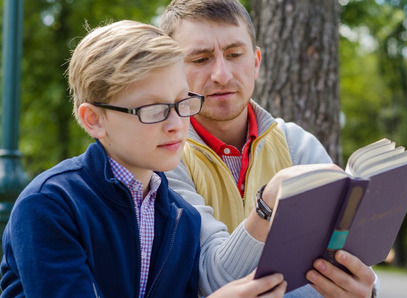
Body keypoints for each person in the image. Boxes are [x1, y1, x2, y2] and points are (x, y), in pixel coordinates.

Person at [0, 20, 287, 298]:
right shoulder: (50, 206)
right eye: (153, 109)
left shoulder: (182, 218)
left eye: (182, 103)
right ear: (94, 119)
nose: (176, 124)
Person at [160, 0, 380, 297]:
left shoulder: (298, 145)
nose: (222, 75)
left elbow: (349, 259)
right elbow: (212, 282)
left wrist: (369, 291)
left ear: (256, 62)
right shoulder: (164, 156)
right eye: (200, 59)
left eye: (235, 54)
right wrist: (267, 204)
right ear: (171, 71)